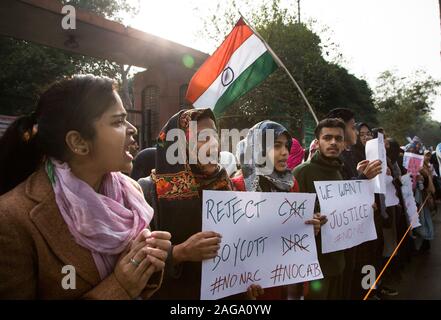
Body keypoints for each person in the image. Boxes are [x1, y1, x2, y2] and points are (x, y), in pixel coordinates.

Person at [0, 75, 171, 299]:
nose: (132, 129)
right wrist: (120, 287)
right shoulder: (13, 219)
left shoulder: (132, 193)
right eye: (118, 122)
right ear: (78, 143)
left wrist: (149, 262)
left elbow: (145, 284)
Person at [139, 108, 260, 300]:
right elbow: (134, 261)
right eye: (202, 137)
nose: (213, 145)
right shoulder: (147, 192)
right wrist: (180, 252)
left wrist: (246, 281)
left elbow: (239, 246)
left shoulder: (225, 185)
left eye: (214, 136)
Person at [231, 121, 322, 300]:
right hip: (256, 286)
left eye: (286, 146)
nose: (285, 152)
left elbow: (294, 227)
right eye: (276, 145)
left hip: (288, 279)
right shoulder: (238, 186)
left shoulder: (291, 182)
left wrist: (309, 227)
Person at [293, 118, 347, 300]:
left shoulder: (339, 171)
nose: (333, 142)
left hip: (337, 260)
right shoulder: (302, 172)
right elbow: (289, 219)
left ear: (344, 143)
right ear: (317, 142)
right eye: (328, 137)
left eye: (338, 138)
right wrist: (310, 218)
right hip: (313, 266)